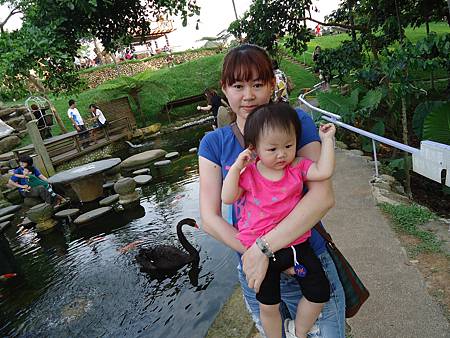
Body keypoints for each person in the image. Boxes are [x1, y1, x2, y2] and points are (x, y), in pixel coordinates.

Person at [198, 44, 345, 337]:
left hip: (306, 258)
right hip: (255, 269)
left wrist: (267, 249)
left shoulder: (295, 122)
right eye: (238, 85)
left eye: (257, 84)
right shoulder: (213, 144)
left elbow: (322, 196)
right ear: (224, 89)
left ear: (271, 84)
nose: (249, 95)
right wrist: (257, 254)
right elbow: (209, 217)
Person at [222, 103, 336, 338]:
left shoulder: (298, 167)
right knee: (268, 305)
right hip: (258, 248)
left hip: (295, 245)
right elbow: (227, 197)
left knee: (319, 292)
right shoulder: (250, 173)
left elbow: (323, 172)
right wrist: (235, 168)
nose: (282, 154)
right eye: (272, 149)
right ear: (255, 149)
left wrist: (327, 141)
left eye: (288, 145)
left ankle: (298, 331)